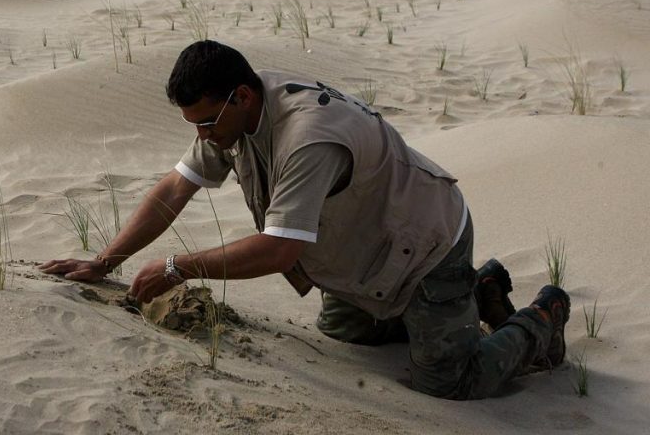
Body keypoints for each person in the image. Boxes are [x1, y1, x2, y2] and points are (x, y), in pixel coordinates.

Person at [39, 40, 570, 400]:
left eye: (205, 121)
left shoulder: (308, 136)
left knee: (452, 381)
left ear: (241, 97)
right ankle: (476, 292)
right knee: (346, 333)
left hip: (427, 244)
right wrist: (105, 261)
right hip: (363, 253)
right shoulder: (234, 114)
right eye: (192, 123)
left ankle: (540, 319)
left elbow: (278, 251)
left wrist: (178, 268)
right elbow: (175, 188)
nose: (200, 134)